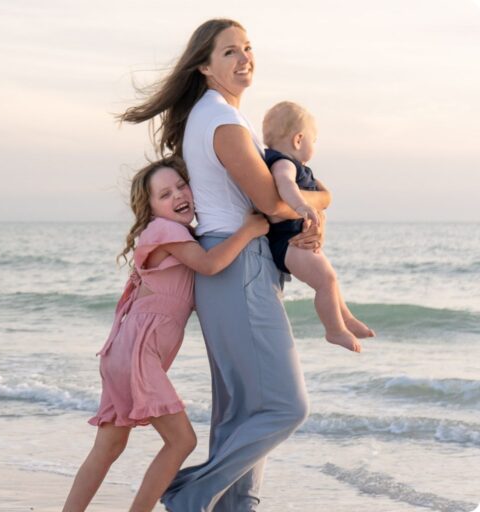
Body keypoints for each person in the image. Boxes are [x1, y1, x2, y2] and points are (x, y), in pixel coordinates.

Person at [118, 19, 328, 511]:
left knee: (242, 411)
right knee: (284, 407)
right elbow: (272, 204)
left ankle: (237, 506)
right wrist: (325, 197)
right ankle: (191, 494)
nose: (244, 58)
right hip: (240, 268)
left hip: (233, 265)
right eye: (230, 51)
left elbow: (270, 203)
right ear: (205, 66)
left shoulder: (212, 118)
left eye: (248, 48)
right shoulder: (222, 121)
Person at [62, 158, 268, 512]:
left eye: (181, 186)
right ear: (151, 208)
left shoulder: (177, 234)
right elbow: (209, 264)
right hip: (137, 353)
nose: (178, 195)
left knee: (108, 447)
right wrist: (249, 230)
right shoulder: (165, 231)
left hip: (123, 352)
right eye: (165, 193)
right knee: (181, 440)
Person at [261, 101, 375, 351]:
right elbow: (285, 185)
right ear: (299, 139)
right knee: (326, 280)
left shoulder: (297, 166)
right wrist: (302, 207)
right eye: (315, 139)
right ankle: (334, 330)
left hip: (294, 240)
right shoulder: (284, 164)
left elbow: (322, 193)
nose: (315, 145)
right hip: (285, 241)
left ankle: (346, 319)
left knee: (329, 279)